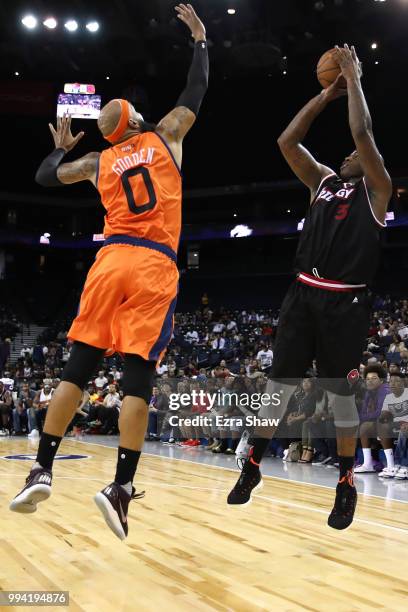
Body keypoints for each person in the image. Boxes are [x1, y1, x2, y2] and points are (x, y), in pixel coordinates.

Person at [10, 3, 209, 541]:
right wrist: (199, 40)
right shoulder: (166, 137)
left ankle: (41, 468)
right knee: (138, 377)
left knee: (76, 369)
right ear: (139, 122)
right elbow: (195, 92)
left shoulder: (97, 163)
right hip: (153, 266)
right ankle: (119, 488)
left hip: (109, 259)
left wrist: (57, 149)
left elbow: (45, 177)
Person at [227, 45, 392, 530]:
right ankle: (252, 465)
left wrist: (354, 79)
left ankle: (345, 484)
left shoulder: (376, 190)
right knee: (277, 389)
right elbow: (287, 141)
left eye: (354, 154)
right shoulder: (321, 181)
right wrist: (326, 94)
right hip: (302, 293)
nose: (346, 154)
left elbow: (361, 132)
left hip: (346, 300)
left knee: (340, 396)